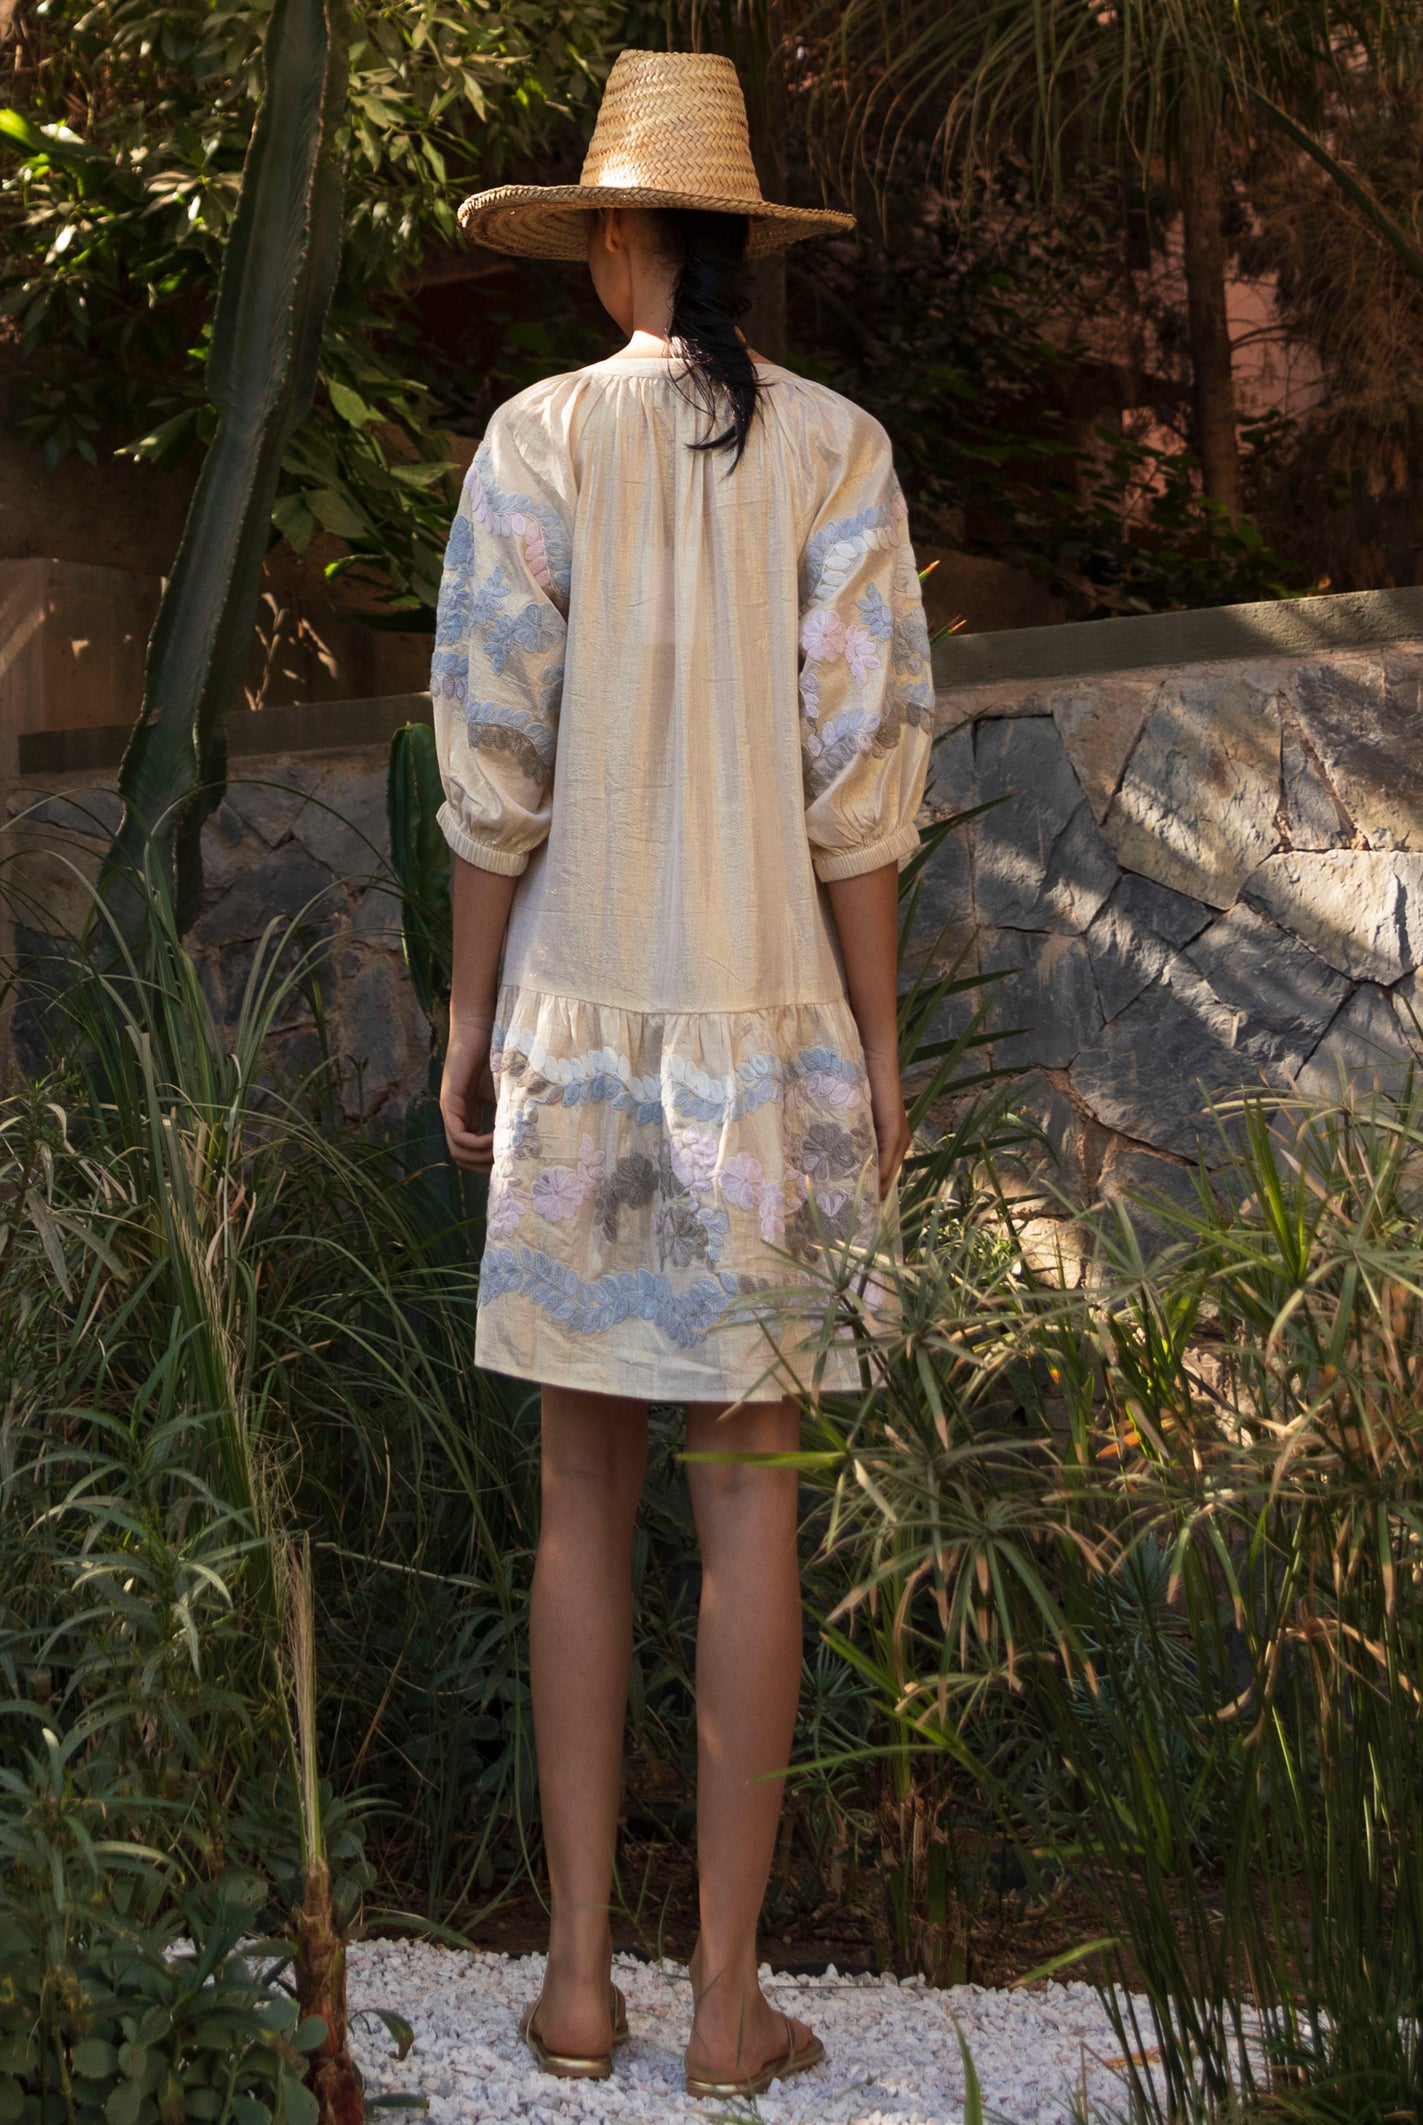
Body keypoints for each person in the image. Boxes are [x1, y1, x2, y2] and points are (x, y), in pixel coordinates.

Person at [434, 48, 935, 2102]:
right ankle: (727, 1998)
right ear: (734, 242)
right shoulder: (836, 450)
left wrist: (468, 1017)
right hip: (768, 1041)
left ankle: (574, 1982)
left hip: (581, 1031)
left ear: (619, 237)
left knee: (578, 1497)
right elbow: (864, 781)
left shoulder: (539, 437)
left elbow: (491, 752)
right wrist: (880, 1042)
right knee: (752, 1519)